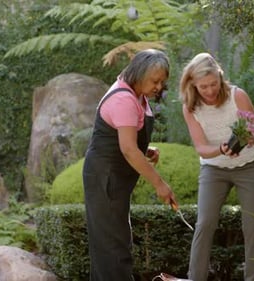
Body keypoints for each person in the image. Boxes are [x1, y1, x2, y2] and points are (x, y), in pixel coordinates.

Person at [83, 49, 177, 281]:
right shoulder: (123, 99)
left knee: (114, 243)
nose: (159, 87)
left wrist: (146, 149)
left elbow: (126, 137)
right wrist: (160, 184)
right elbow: (127, 148)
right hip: (105, 178)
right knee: (113, 249)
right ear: (139, 73)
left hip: (113, 179)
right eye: (155, 81)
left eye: (162, 82)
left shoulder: (136, 94)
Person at [179, 52, 254, 281]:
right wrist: (222, 149)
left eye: (213, 84)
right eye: (203, 87)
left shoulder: (238, 96)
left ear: (220, 77)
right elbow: (201, 147)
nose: (209, 91)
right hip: (214, 169)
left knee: (252, 227)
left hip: (249, 166)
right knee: (205, 223)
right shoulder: (190, 108)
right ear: (193, 85)